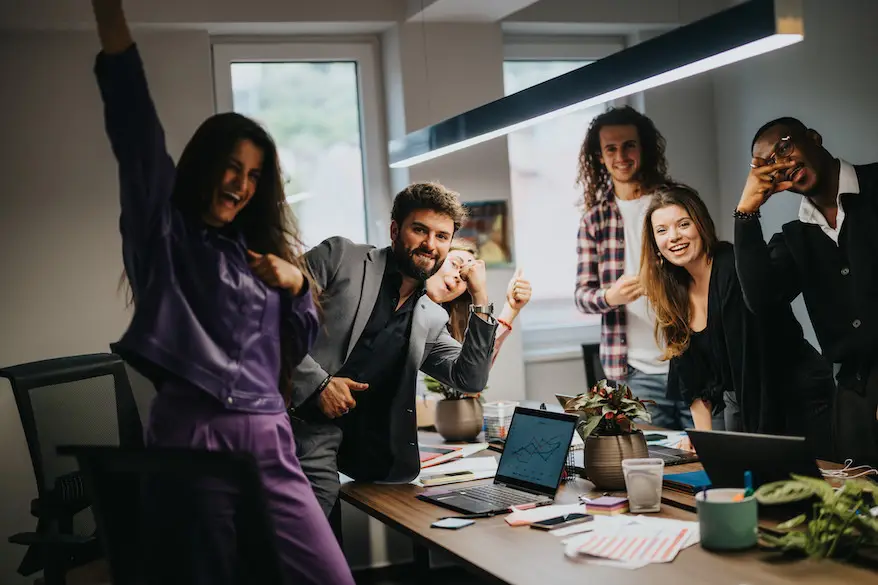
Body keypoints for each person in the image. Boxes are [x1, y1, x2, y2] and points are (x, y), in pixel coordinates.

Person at [90, 2, 354, 584]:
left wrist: (294, 287)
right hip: (193, 433)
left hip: (271, 436)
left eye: (254, 174)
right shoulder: (163, 235)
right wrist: (112, 23)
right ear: (206, 166)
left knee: (329, 575)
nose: (240, 183)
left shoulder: (252, 254)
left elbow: (296, 342)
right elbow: (136, 131)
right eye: (231, 167)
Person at [288, 182, 497, 519]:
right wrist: (318, 383)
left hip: (335, 449)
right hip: (277, 419)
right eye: (420, 230)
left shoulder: (430, 317)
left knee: (316, 545)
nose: (430, 245)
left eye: (442, 236)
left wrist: (481, 301)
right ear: (395, 229)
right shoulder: (342, 258)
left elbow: (470, 378)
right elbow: (263, 314)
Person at [641, 183, 834, 456]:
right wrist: (703, 441)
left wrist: (749, 445)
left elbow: (753, 366)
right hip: (746, 401)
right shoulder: (673, 291)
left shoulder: (733, 267)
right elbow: (692, 378)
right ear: (655, 244)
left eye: (683, 224)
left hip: (794, 395)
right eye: (661, 230)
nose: (673, 237)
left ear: (701, 224)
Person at [734, 116, 878, 465]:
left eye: (785, 148)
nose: (781, 165)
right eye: (768, 165)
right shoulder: (796, 238)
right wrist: (746, 214)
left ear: (813, 137)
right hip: (853, 398)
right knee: (856, 510)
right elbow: (763, 302)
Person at [573, 106, 692, 430]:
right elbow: (582, 296)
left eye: (629, 145)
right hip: (634, 373)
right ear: (599, 156)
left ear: (644, 148)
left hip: (692, 362)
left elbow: (706, 271)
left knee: (707, 460)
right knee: (651, 465)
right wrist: (611, 296)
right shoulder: (594, 219)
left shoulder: (675, 202)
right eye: (610, 148)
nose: (620, 156)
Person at [425, 239, 532, 357]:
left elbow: (473, 367)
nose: (458, 276)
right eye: (454, 264)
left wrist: (511, 309)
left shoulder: (442, 329)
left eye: (466, 278)